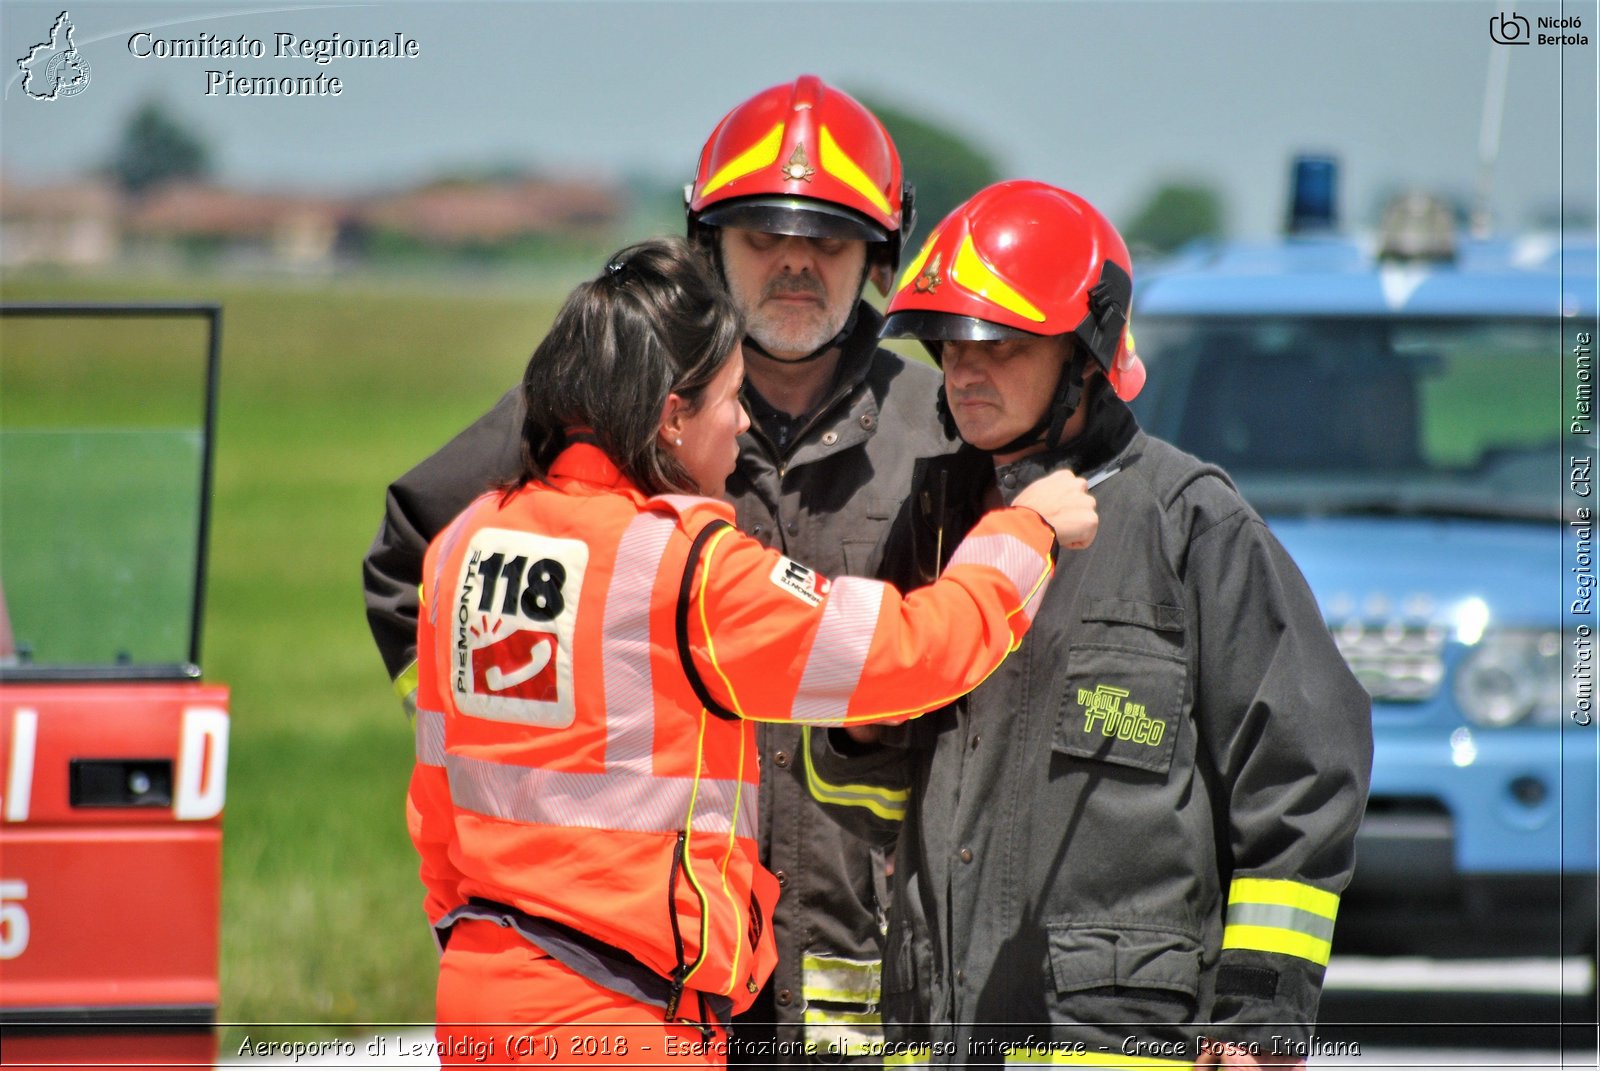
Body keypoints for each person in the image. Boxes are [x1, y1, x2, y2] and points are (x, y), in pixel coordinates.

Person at [365, 75, 953, 1060]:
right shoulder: (592, 404)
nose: (796, 266)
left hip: (863, 945)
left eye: (830, 243)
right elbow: (413, 561)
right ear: (709, 244)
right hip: (637, 969)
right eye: (766, 239)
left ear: (880, 255)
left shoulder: (935, 435)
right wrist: (523, 732)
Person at [406, 237, 1099, 1066]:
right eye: (731, 398)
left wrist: (472, 937)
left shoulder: (466, 540)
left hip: (480, 989)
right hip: (621, 1013)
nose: (741, 422)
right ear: (670, 415)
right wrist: (1027, 532)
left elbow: (438, 796)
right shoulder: (684, 565)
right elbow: (910, 655)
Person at [806, 181, 1373, 1068]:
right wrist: (861, 728)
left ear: (1086, 353)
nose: (964, 370)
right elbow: (865, 779)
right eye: (951, 344)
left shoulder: (1189, 522)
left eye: (1000, 343)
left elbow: (1302, 772)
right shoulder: (935, 518)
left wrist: (1262, 1016)